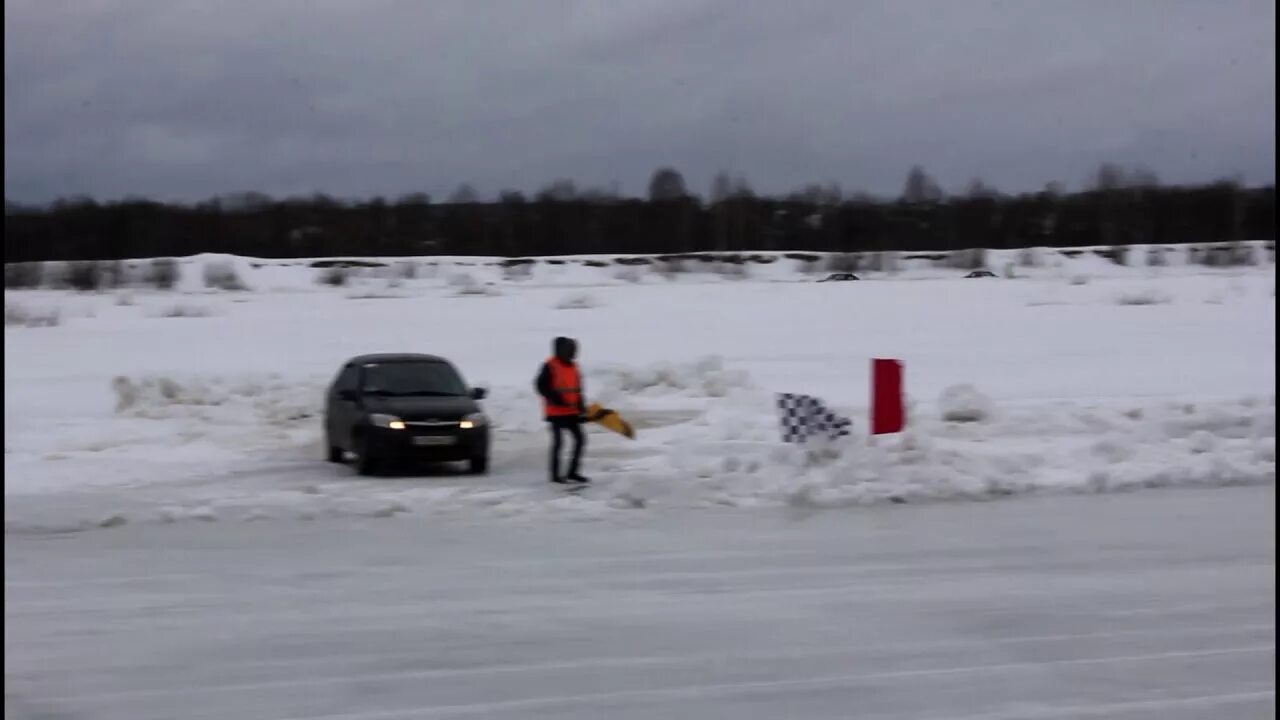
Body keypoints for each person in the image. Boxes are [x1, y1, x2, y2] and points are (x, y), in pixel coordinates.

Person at [535, 336, 588, 484]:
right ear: (560, 350)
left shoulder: (575, 367)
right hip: (556, 413)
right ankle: (555, 475)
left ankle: (573, 472)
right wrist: (554, 397)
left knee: (580, 440)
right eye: (570, 350)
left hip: (571, 412)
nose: (573, 353)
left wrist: (581, 406)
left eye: (575, 350)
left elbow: (577, 390)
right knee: (559, 443)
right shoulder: (550, 366)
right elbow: (540, 386)